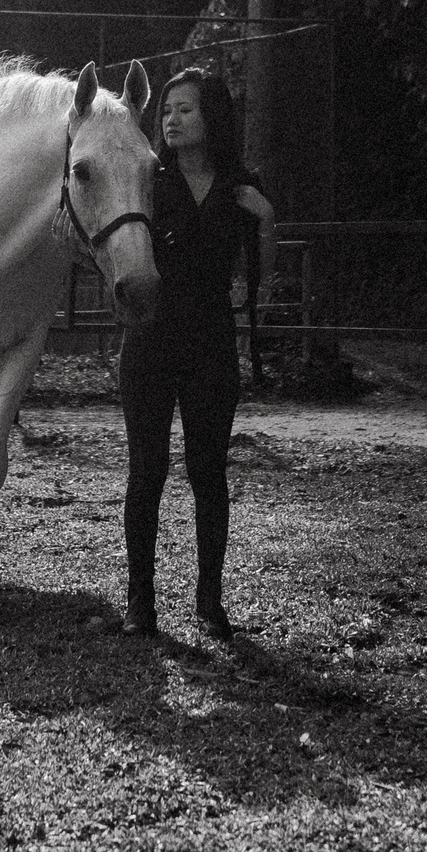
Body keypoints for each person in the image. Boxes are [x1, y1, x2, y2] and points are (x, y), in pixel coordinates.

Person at [117, 66, 274, 640]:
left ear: (212, 116)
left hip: (210, 343)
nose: (172, 119)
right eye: (167, 111)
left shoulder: (240, 185)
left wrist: (268, 219)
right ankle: (141, 604)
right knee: (146, 472)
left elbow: (264, 271)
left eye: (185, 108)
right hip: (149, 343)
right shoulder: (147, 181)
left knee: (208, 472)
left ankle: (210, 600)